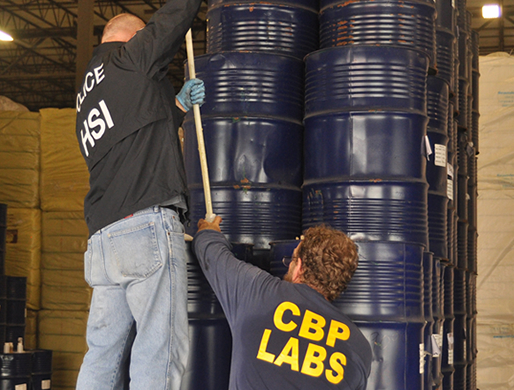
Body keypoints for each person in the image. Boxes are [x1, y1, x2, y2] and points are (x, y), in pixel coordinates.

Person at [73, 1, 204, 389]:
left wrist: (177, 105)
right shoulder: (130, 57)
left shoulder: (86, 95)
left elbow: (135, 130)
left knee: (101, 356)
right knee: (159, 353)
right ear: (133, 37)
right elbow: (172, 20)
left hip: (105, 240)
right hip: (145, 228)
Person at [193, 216, 373, 389]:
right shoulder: (359, 347)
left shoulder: (258, 291)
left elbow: (211, 252)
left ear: (300, 266)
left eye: (292, 260)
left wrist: (209, 231)